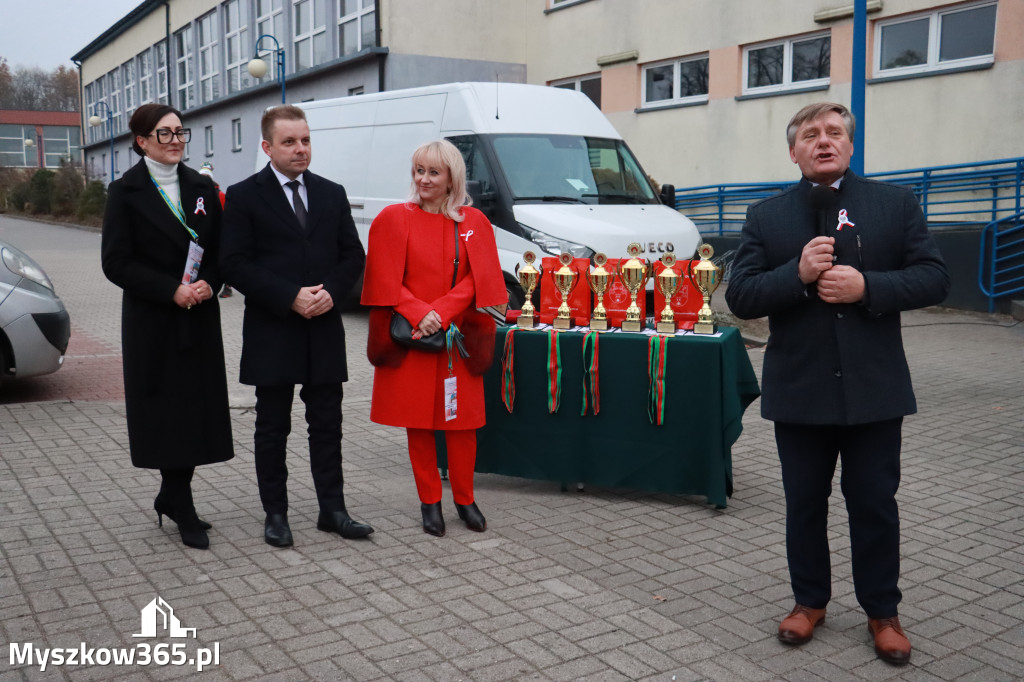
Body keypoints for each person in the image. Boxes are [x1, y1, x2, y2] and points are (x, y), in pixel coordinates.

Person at [725, 102, 950, 666]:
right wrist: (796, 275)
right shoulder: (766, 215)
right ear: (794, 150)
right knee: (804, 504)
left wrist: (867, 287)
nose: (823, 142)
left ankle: (883, 611)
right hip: (800, 390)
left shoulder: (894, 204)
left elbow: (934, 278)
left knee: (874, 504)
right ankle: (810, 602)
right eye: (810, 134)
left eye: (833, 133)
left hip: (874, 390)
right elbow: (742, 296)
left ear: (850, 145)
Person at [220, 104, 372, 547]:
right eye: (290, 142)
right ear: (267, 147)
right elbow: (234, 263)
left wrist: (332, 293)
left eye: (305, 140)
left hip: (323, 328)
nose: (300, 149)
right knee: (272, 427)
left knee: (327, 423)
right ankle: (276, 514)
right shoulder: (245, 195)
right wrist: (290, 296)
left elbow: (352, 256)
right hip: (274, 330)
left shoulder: (331, 192)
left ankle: (333, 511)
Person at [101, 103, 235, 551]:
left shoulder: (201, 186)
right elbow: (115, 262)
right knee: (166, 413)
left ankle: (171, 496)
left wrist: (209, 284)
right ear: (141, 141)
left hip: (198, 315)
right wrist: (169, 290)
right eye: (164, 133)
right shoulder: (125, 192)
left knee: (196, 410)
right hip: (153, 320)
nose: (176, 140)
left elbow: (218, 250)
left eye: (180, 132)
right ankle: (183, 505)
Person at [361, 140, 505, 537]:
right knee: (419, 425)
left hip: (458, 341)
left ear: (451, 179)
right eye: (418, 170)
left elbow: (482, 279)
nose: (423, 179)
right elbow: (384, 279)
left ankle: (464, 499)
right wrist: (419, 313)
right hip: (414, 341)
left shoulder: (473, 222)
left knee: (462, 425)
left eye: (433, 172)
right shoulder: (394, 218)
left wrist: (439, 313)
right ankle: (429, 502)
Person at [198, 162, 233, 298]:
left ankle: (228, 286)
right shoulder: (197, 193)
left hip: (221, 232)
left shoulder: (220, 195)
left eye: (206, 176)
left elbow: (226, 214)